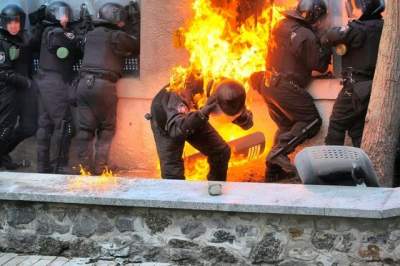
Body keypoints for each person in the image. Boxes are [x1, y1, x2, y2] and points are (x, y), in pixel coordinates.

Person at [250, 0, 331, 181]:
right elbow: (320, 65)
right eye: (319, 18)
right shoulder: (304, 35)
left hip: (268, 84)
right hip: (284, 86)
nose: (320, 22)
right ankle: (278, 154)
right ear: (313, 15)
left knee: (286, 125)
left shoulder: (280, 25)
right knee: (311, 121)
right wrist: (325, 43)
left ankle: (273, 172)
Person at [149, 75, 253, 181]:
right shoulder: (178, 95)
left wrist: (243, 118)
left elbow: (232, 102)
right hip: (169, 122)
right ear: (213, 105)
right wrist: (202, 114)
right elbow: (176, 131)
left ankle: (215, 186)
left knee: (221, 152)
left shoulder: (220, 81)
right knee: (172, 174)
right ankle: (175, 196)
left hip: (195, 115)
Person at [76, 3, 139, 175]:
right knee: (107, 128)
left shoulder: (89, 35)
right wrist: (135, 21)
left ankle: (84, 169)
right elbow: (136, 45)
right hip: (104, 86)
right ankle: (100, 168)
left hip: (83, 85)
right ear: (115, 19)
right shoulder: (117, 36)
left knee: (85, 129)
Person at [323, 0, 384, 147]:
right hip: (369, 88)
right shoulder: (383, 27)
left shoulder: (359, 28)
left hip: (354, 88)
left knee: (337, 123)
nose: (353, 10)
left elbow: (332, 35)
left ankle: (331, 164)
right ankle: (360, 164)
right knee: (357, 129)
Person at [34, 1, 82, 173]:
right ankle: (59, 166)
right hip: (54, 82)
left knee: (45, 124)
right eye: (61, 14)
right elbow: (75, 42)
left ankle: (43, 166)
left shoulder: (47, 31)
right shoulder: (55, 32)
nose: (65, 18)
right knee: (66, 124)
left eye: (66, 14)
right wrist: (82, 33)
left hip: (45, 81)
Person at [0, 4, 39, 170]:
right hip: (8, 91)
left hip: (26, 91)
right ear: (4, 23)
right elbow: (3, 71)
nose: (13, 26)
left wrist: (41, 20)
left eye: (16, 22)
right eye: (9, 22)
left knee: (29, 128)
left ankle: (2, 155)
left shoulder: (25, 38)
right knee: (5, 129)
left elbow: (38, 42)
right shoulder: (2, 41)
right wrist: (27, 83)